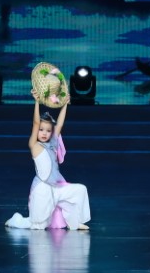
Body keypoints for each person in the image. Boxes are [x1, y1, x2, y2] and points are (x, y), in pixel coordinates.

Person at [6, 96, 92, 230]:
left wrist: (65, 104)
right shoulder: (34, 146)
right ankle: (15, 220)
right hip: (42, 189)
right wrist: (37, 101)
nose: (44, 133)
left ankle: (75, 222)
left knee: (80, 190)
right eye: (41, 130)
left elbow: (60, 124)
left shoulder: (52, 143)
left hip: (57, 187)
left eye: (48, 130)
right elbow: (36, 122)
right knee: (38, 226)